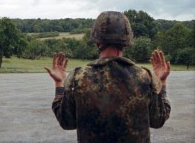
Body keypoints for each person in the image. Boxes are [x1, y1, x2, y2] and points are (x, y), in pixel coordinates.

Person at [45, 11, 171, 143]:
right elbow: (158, 120)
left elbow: (67, 122)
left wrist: (59, 84)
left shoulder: (79, 77)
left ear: (97, 42)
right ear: (126, 42)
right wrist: (161, 82)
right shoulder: (144, 77)